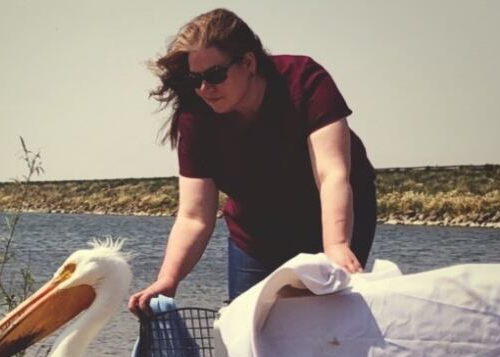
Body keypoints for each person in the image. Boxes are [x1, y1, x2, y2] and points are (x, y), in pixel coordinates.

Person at [129, 8, 376, 314]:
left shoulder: (304, 80)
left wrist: (336, 246)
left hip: (332, 215)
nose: (205, 89)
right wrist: (168, 279)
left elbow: (332, 174)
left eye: (215, 75)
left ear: (248, 62)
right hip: (257, 233)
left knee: (326, 324)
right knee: (251, 326)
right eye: (196, 79)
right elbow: (194, 216)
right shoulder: (196, 117)